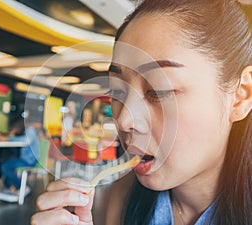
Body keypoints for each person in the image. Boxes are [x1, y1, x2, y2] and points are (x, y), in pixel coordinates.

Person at [31, 1, 252, 225]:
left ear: (241, 96)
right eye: (117, 91)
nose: (124, 120)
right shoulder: (124, 196)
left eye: (158, 91)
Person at [0, 115, 39, 195]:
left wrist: (8, 139)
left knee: (5, 167)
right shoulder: (23, 132)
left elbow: (26, 141)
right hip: (22, 158)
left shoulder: (30, 129)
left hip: (29, 160)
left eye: (13, 127)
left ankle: (22, 187)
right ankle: (10, 187)